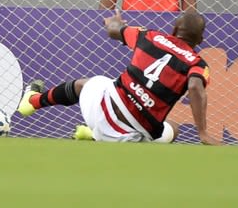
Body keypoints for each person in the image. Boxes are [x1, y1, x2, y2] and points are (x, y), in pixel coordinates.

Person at [18, 10, 220, 145]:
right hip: (132, 137)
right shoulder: (197, 64)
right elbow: (195, 87)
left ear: (174, 30)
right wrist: (202, 133)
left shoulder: (149, 36)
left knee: (89, 83)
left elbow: (113, 31)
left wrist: (113, 23)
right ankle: (94, 135)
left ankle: (33, 101)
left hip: (101, 110)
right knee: (173, 129)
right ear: (200, 40)